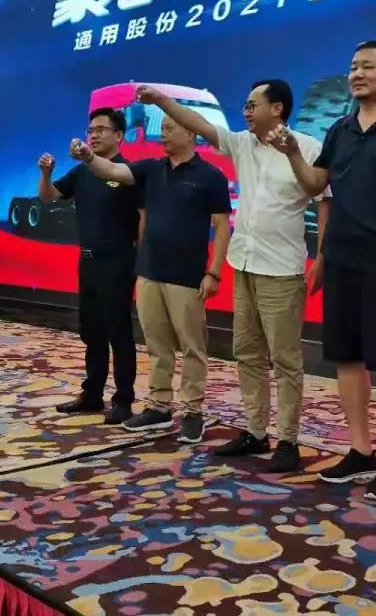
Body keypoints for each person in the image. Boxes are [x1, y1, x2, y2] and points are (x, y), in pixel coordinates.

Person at [268, 40, 376, 500]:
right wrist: (292, 153)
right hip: (342, 259)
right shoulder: (340, 129)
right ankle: (361, 450)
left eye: (367, 66)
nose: (357, 74)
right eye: (352, 67)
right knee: (347, 358)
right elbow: (316, 185)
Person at [134, 81, 329, 472]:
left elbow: (325, 202)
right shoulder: (242, 144)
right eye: (245, 105)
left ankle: (288, 440)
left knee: (285, 359)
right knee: (247, 354)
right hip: (244, 265)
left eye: (253, 105)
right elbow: (197, 123)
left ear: (277, 108)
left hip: (281, 270)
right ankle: (256, 432)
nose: (245, 111)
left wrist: (322, 257)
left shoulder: (309, 147)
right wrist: (160, 100)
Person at [70, 115, 231, 444]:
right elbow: (113, 171)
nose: (163, 134)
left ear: (190, 133)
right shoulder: (151, 170)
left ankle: (193, 411)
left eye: (170, 129)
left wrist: (213, 272)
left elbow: (221, 227)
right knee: (157, 345)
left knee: (192, 346)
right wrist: (88, 157)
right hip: (149, 273)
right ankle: (159, 406)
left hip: (187, 276)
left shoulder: (210, 176)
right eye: (162, 129)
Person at [39, 108, 144, 425]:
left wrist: (141, 260)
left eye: (101, 129)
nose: (93, 135)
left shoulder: (126, 172)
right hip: (87, 261)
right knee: (92, 331)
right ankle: (92, 393)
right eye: (90, 130)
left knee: (118, 331)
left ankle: (123, 400)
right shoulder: (81, 172)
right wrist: (46, 174)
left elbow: (143, 217)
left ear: (119, 135)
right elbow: (49, 197)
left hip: (118, 261)